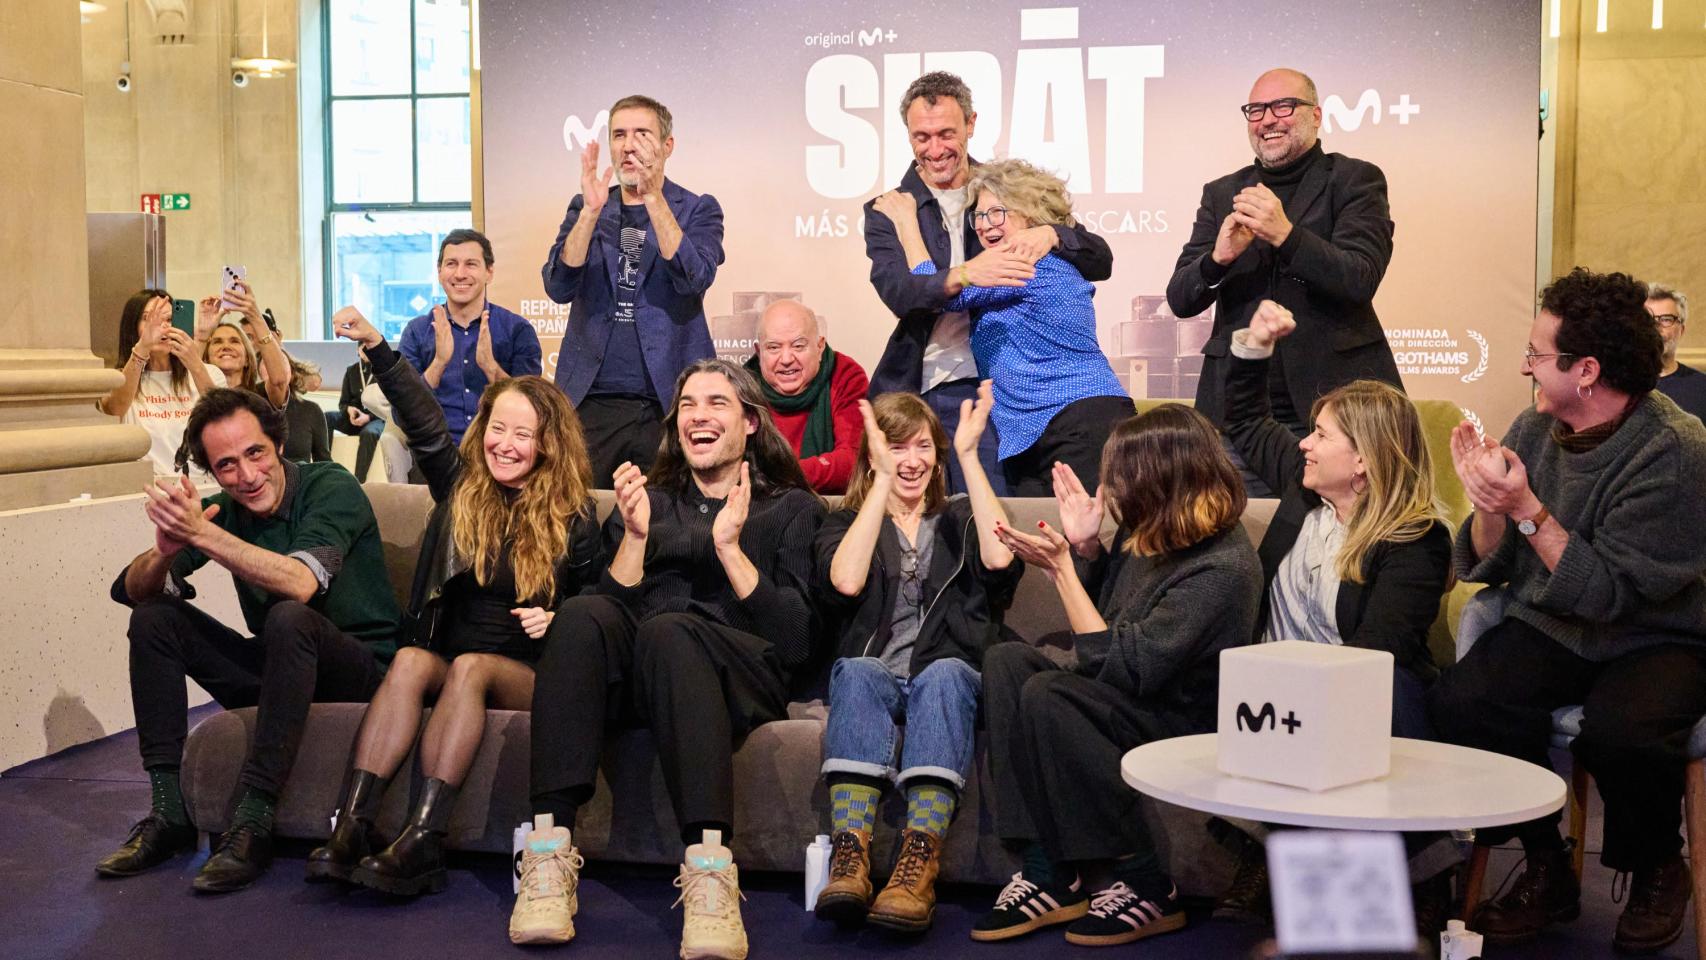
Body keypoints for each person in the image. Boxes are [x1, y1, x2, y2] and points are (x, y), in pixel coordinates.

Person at [1431, 268, 1706, 954]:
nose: (1526, 366)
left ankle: (1656, 868)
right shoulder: (1534, 425)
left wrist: (1525, 510)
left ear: (1586, 370)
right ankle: (1545, 860)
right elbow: (1486, 565)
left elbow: (1612, 594)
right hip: (1560, 621)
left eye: (1536, 355)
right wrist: (1492, 511)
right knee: (1466, 700)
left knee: (1624, 731)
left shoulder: (1675, 449)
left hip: (1658, 634)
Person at [509, 358, 823, 955]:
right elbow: (607, 613)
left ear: (751, 422)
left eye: (717, 404)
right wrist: (632, 536)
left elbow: (796, 640)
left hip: (742, 669)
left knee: (670, 632)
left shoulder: (791, 508)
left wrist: (729, 549)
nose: (698, 416)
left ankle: (710, 869)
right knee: (579, 616)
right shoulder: (649, 500)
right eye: (688, 405)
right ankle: (547, 856)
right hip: (651, 663)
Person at [304, 307, 602, 896]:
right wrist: (381, 350)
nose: (506, 444)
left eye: (523, 434)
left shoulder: (576, 515)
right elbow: (424, 424)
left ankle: (423, 837)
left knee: (469, 668)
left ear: (547, 444)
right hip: (454, 658)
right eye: (498, 428)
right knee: (414, 661)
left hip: (533, 673)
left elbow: (602, 604)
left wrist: (560, 615)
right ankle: (355, 825)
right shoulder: (463, 489)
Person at [972, 405, 1263, 947]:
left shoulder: (1222, 569)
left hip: (1179, 717)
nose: (1109, 486)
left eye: (1120, 475)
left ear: (1162, 477)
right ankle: (1049, 869)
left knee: (1050, 691)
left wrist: (1061, 571)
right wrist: (1086, 550)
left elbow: (1124, 663)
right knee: (1006, 661)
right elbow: (1110, 617)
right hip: (1132, 693)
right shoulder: (1152, 527)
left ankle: (1149, 883)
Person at [1213, 298, 1456, 930]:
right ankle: (1274, 852)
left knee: (1384, 693)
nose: (1304, 444)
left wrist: (1302, 688)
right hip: (1271, 685)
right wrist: (1256, 344)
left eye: (1321, 435)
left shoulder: (1415, 538)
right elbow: (1242, 415)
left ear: (1365, 461)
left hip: (1355, 690)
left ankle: (1421, 871)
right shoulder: (1303, 489)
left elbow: (1378, 652)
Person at [98, 387, 399, 893]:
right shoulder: (224, 511)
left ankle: (254, 820)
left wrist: (202, 534)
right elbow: (128, 592)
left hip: (360, 671)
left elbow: (301, 583)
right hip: (280, 667)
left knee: (288, 616)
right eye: (227, 466)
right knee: (154, 619)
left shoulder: (330, 486)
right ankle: (169, 813)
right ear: (213, 473)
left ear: (278, 443)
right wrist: (168, 551)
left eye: (255, 453)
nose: (247, 475)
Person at [812, 381, 1020, 932]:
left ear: (937, 455)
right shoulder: (844, 522)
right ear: (875, 457)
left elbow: (1000, 559)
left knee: (947, 673)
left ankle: (918, 862)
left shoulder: (957, 519)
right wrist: (879, 482)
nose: (911, 460)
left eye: (922, 446)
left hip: (946, 676)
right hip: (877, 675)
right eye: (896, 447)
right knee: (855, 672)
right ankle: (850, 857)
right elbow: (847, 580)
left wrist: (972, 457)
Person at [863, 71, 1113, 495]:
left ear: (971, 124)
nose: (935, 149)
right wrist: (963, 274)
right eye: (921, 137)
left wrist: (1052, 233)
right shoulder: (889, 209)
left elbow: (1098, 257)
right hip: (922, 385)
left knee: (998, 518)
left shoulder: (1003, 192)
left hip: (999, 392)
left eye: (947, 133)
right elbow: (900, 294)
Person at [1166, 68, 1400, 438]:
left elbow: (1359, 278)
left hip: (1337, 407)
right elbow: (1180, 299)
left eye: (1284, 106)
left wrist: (1287, 235)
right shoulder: (1221, 193)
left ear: (1316, 115)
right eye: (1256, 110)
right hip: (1237, 409)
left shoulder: (1355, 180)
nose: (1268, 120)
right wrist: (1217, 259)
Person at [881, 158, 1131, 494]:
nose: (984, 226)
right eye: (979, 216)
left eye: (996, 213)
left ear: (1029, 213)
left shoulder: (1021, 261)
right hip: (1033, 434)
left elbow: (937, 291)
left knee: (1090, 536)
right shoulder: (1028, 258)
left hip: (1080, 422)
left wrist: (906, 224)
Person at [544, 94, 725, 487]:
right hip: (590, 402)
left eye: (642, 134)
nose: (629, 145)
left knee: (665, 524)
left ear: (667, 146)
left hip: (669, 402)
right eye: (619, 135)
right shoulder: (586, 207)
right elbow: (558, 285)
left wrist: (653, 197)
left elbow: (693, 279)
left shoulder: (698, 209)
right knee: (581, 519)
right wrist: (590, 213)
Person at [400, 228, 543, 446]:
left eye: (471, 264)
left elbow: (535, 409)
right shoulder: (417, 332)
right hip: (435, 453)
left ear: (489, 272)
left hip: (499, 452)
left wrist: (491, 368)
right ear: (439, 272)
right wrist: (438, 364)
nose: (460, 274)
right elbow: (401, 412)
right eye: (451, 264)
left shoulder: (517, 330)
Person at [745, 299, 868, 494]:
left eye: (798, 346)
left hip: (831, 509)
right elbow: (731, 469)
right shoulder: (742, 387)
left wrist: (776, 474)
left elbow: (854, 463)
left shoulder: (845, 375)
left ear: (819, 347)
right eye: (774, 348)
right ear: (759, 352)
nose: (786, 359)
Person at [98, 289, 222, 476]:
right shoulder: (118, 379)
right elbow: (114, 409)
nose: (161, 327)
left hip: (204, 488)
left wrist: (194, 359)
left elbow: (223, 416)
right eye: (148, 319)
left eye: (169, 319)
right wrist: (143, 348)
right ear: (132, 327)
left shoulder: (209, 373)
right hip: (148, 491)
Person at [196, 279, 290, 408]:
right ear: (206, 358)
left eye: (234, 341)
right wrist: (202, 336)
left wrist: (254, 315)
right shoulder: (195, 394)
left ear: (247, 359)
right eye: (217, 342)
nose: (226, 347)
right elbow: (189, 371)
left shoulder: (261, 396)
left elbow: (279, 381)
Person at [1647, 282, 1706, 421]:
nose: (1656, 327)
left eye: (1666, 319)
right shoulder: (1618, 386)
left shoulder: (1702, 387)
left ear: (1681, 330)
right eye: (1648, 319)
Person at [331, 345, 390, 481]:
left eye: (369, 347)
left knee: (369, 433)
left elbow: (388, 406)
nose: (366, 351)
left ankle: (359, 480)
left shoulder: (383, 372)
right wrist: (349, 410)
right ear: (358, 350)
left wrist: (368, 417)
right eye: (363, 348)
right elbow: (343, 403)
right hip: (354, 418)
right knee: (327, 418)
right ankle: (324, 463)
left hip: (376, 418)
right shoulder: (351, 371)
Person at [282, 357, 331, 463]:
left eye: (280, 364)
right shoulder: (248, 410)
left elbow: (323, 460)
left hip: (300, 476)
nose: (274, 370)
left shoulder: (311, 410)